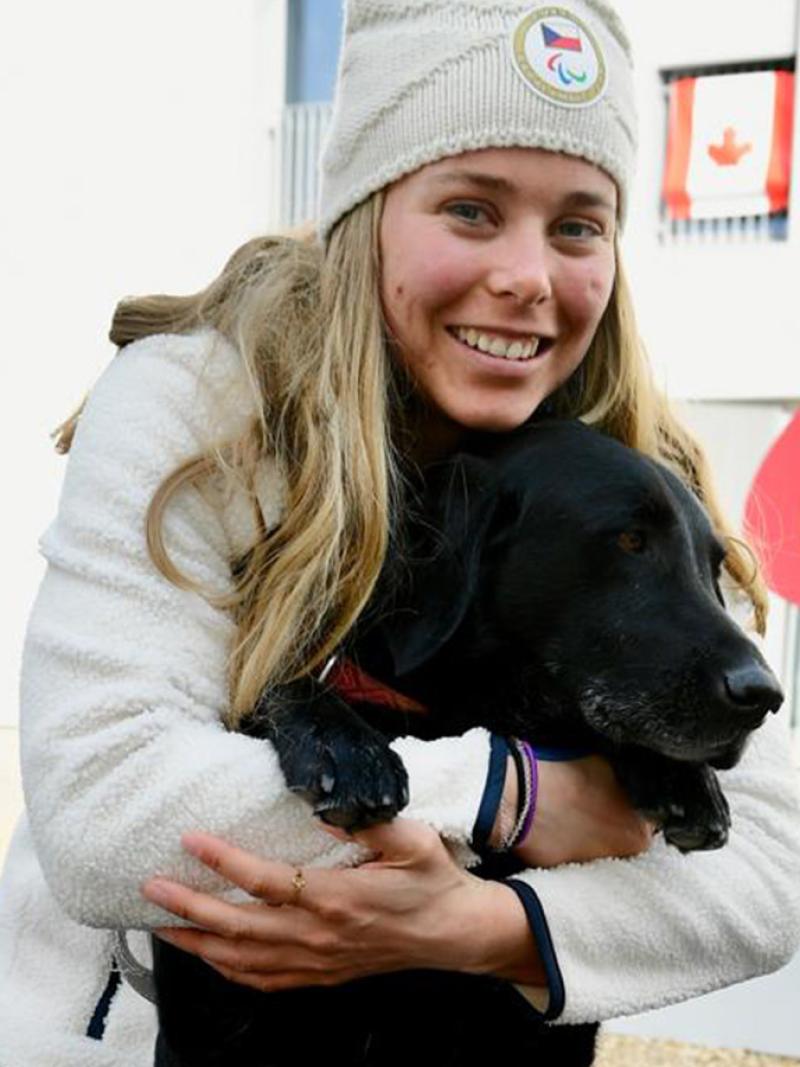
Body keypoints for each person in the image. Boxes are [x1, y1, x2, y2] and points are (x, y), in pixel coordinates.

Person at [1, 1, 799, 1064]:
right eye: (470, 209)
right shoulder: (197, 405)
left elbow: (767, 870)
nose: (526, 275)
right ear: (366, 211)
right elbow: (106, 810)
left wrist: (477, 926)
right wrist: (511, 797)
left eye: (577, 225)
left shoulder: (634, 474)